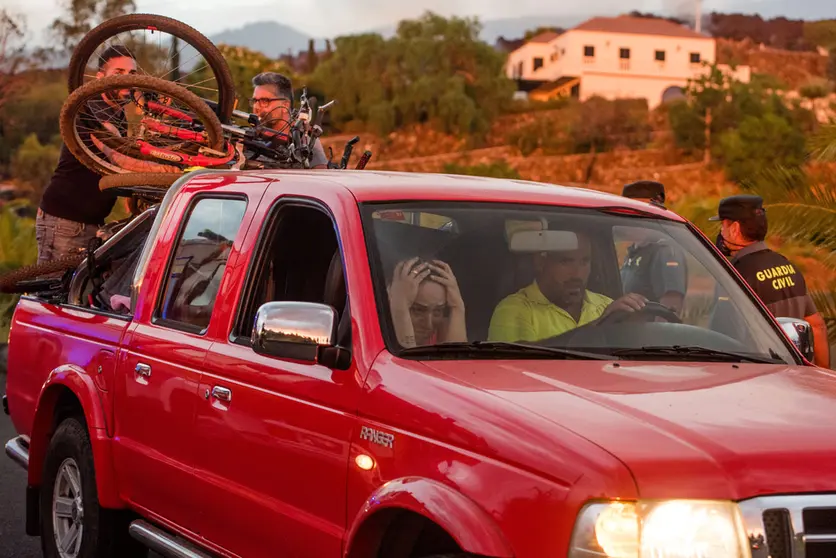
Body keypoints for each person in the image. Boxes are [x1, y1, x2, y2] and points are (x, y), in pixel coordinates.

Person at [36, 45, 137, 264]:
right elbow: (117, 155)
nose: (126, 79)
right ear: (101, 77)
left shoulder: (118, 113)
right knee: (54, 292)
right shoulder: (90, 109)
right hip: (65, 221)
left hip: (89, 222)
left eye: (132, 74)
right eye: (118, 73)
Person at [710, 194, 829, 367]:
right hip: (796, 377)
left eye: (723, 226)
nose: (721, 232)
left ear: (735, 229)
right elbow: (817, 327)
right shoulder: (789, 267)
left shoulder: (734, 276)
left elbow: (721, 340)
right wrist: (821, 378)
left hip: (756, 378)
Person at [488, 230, 651, 343]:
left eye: (584, 262)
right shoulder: (514, 309)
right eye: (565, 261)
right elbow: (517, 370)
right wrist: (598, 327)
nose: (577, 274)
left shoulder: (606, 305)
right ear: (540, 262)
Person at [619, 180, 688, 313]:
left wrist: (657, 333)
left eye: (628, 209)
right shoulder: (635, 250)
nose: (624, 215)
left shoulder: (665, 251)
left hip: (650, 332)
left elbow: (670, 307)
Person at [249, 72, 328, 169]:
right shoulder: (249, 138)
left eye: (265, 101)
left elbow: (320, 177)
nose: (256, 107)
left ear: (285, 105)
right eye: (255, 101)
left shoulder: (304, 139)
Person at [387, 257, 466, 347]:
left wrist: (457, 307)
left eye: (437, 311)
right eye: (418, 310)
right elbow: (406, 358)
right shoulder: (372, 332)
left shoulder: (444, 330)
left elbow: (455, 358)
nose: (429, 325)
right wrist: (400, 308)